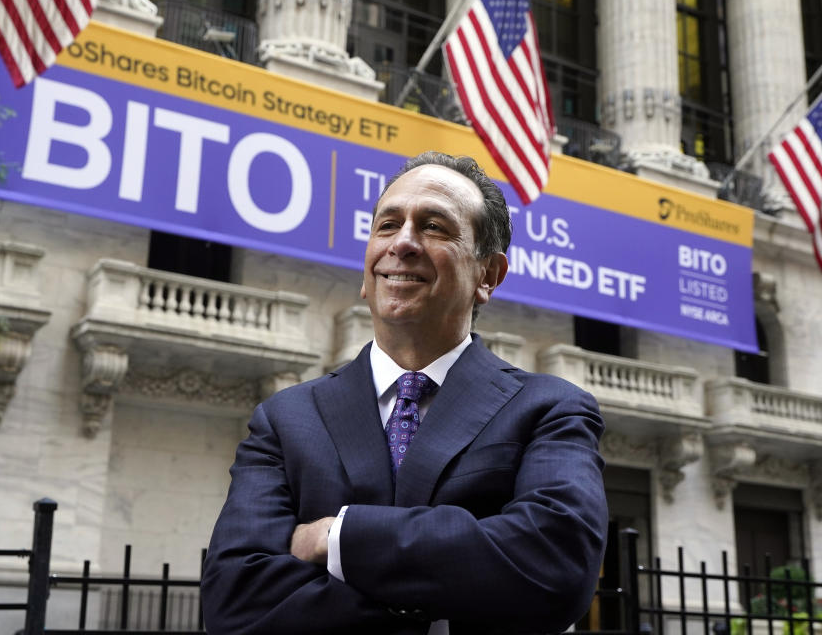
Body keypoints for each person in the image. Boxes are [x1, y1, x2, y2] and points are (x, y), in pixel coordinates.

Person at [201, 152, 608, 634]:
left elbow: (555, 565)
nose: (404, 242)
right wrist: (438, 604)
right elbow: (234, 598)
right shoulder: (284, 419)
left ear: (488, 276)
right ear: (366, 268)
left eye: (434, 226)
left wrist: (338, 538)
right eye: (388, 225)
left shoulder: (550, 410)